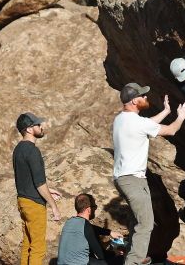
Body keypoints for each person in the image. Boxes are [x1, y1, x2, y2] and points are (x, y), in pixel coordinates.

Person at [113, 83, 185, 265]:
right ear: (134, 101)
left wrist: (165, 111)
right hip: (133, 180)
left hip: (124, 179)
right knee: (146, 224)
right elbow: (171, 130)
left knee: (136, 222)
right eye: (143, 96)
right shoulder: (137, 123)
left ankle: (131, 257)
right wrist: (181, 116)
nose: (146, 98)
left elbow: (147, 124)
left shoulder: (121, 119)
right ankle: (134, 262)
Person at [14, 112, 62, 265]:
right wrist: (54, 207)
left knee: (27, 244)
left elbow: (28, 179)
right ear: (29, 129)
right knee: (38, 248)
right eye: (37, 125)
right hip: (34, 205)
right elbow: (39, 184)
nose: (41, 127)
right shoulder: (33, 151)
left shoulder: (18, 150)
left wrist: (49, 189)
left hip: (22, 201)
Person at [57, 193, 124, 265]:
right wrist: (115, 253)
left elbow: (92, 228)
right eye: (94, 207)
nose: (95, 209)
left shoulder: (69, 222)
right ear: (89, 210)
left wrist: (110, 232)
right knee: (119, 260)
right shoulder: (86, 227)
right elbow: (101, 255)